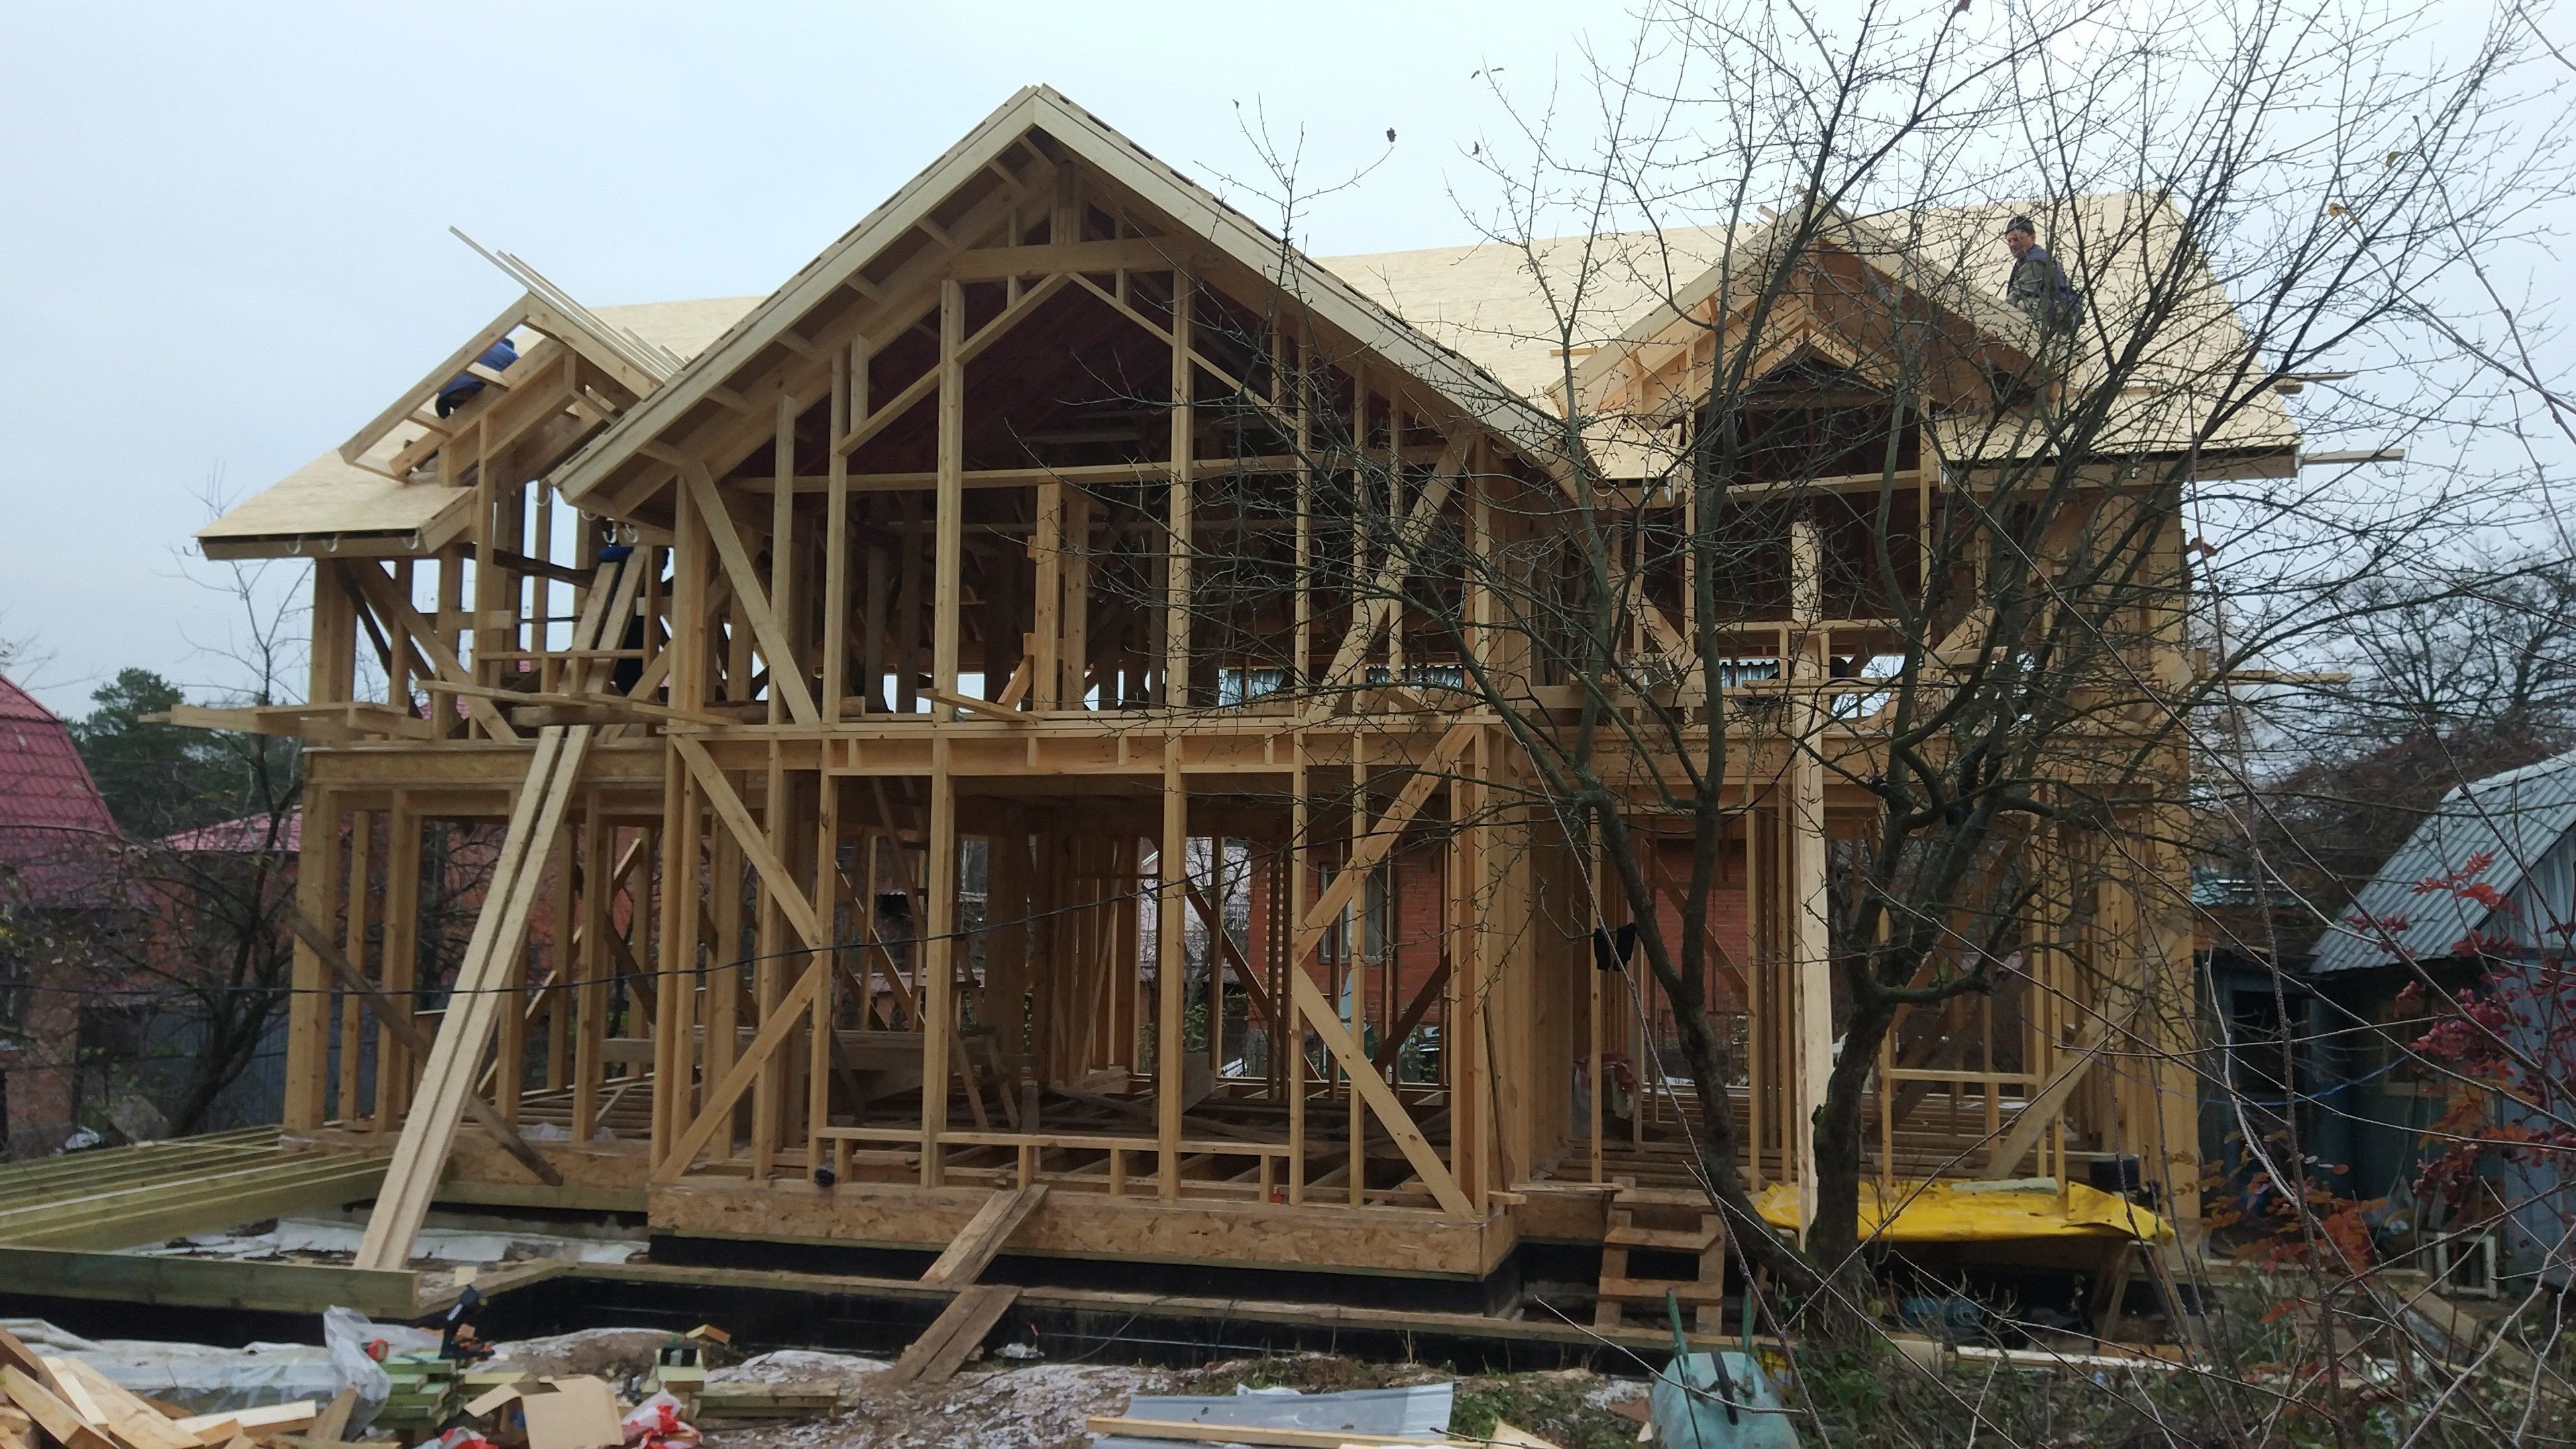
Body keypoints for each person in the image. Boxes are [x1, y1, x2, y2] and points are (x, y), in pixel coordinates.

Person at [2003, 215, 2080, 333]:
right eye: (2009, 241)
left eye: (2017, 239)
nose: (2012, 244)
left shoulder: (2036, 261)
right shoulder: (2027, 259)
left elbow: (2019, 293)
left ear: (2033, 238)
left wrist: (1996, 314)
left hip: (2064, 315)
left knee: (2023, 306)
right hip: (2059, 311)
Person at [434, 335, 520, 417]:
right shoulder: (510, 353)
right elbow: (519, 374)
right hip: (473, 384)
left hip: (451, 387)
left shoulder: (478, 347)